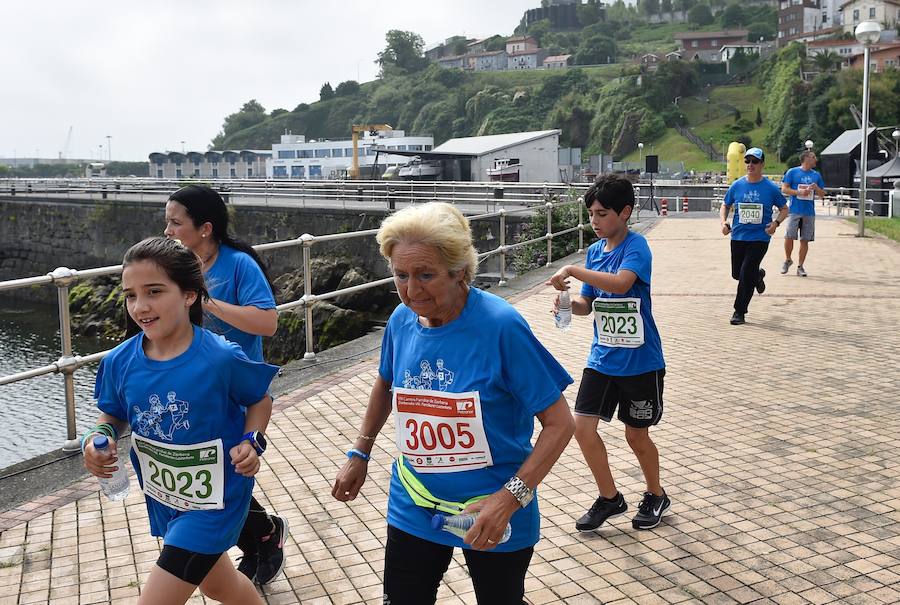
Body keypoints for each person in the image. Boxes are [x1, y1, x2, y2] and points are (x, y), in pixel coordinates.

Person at [332, 202, 575, 605]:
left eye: (426, 275)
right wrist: (360, 450)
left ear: (460, 270)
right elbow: (386, 383)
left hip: (491, 507)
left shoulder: (501, 326)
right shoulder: (401, 319)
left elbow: (560, 424)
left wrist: (508, 498)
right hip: (414, 502)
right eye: (401, 276)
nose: (411, 290)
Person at [82, 237, 279, 605]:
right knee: (219, 586)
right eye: (130, 295)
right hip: (166, 496)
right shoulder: (119, 361)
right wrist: (98, 438)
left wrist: (253, 441)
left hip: (218, 500)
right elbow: (113, 415)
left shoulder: (221, 358)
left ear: (190, 295)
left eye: (154, 291)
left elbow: (259, 399)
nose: (140, 307)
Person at [164, 184, 287, 585]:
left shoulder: (237, 265)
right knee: (209, 473)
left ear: (205, 228)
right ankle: (262, 535)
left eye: (175, 222)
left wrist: (205, 301)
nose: (167, 231)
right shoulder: (177, 266)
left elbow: (267, 322)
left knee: (227, 472)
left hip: (236, 390)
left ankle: (263, 538)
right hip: (190, 389)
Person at [547, 174, 670, 534]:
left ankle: (655, 494)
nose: (594, 222)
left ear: (625, 212)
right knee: (582, 429)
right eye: (591, 214)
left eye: (601, 214)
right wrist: (568, 304)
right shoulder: (595, 252)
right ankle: (609, 497)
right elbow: (590, 301)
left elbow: (620, 284)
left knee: (636, 436)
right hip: (602, 359)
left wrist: (570, 268)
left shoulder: (637, 247)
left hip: (641, 362)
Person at [720, 147, 788, 325]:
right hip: (738, 237)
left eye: (755, 161)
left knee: (745, 273)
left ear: (762, 164)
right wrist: (723, 223)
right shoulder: (737, 185)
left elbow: (784, 208)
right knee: (738, 274)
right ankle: (757, 275)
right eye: (747, 161)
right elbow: (725, 205)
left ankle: (739, 311)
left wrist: (775, 224)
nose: (750, 165)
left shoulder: (770, 188)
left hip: (760, 238)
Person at [780, 150, 826, 277]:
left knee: (804, 239)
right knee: (789, 236)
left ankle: (800, 266)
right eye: (813, 157)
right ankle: (788, 259)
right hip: (794, 210)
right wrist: (800, 192)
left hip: (809, 212)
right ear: (806, 158)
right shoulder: (792, 172)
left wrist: (817, 189)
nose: (816, 159)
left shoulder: (816, 175)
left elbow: (823, 195)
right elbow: (784, 189)